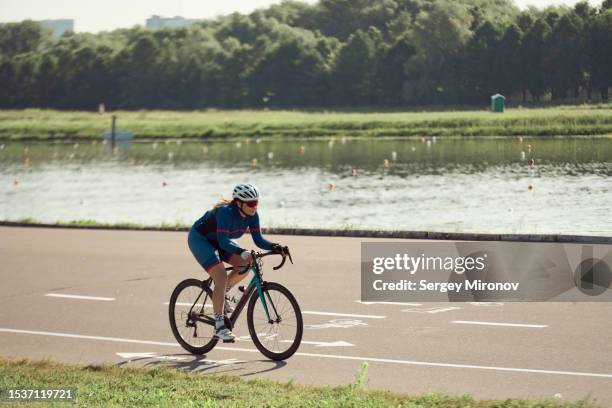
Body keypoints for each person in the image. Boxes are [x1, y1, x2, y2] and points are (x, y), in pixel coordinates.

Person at [188, 183, 284, 341]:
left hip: (220, 240)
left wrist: (276, 247)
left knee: (246, 263)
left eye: (256, 203)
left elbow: (258, 240)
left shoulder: (253, 216)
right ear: (239, 203)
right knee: (220, 277)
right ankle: (219, 326)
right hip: (201, 240)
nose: (255, 207)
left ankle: (222, 293)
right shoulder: (226, 213)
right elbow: (224, 242)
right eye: (251, 203)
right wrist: (242, 251)